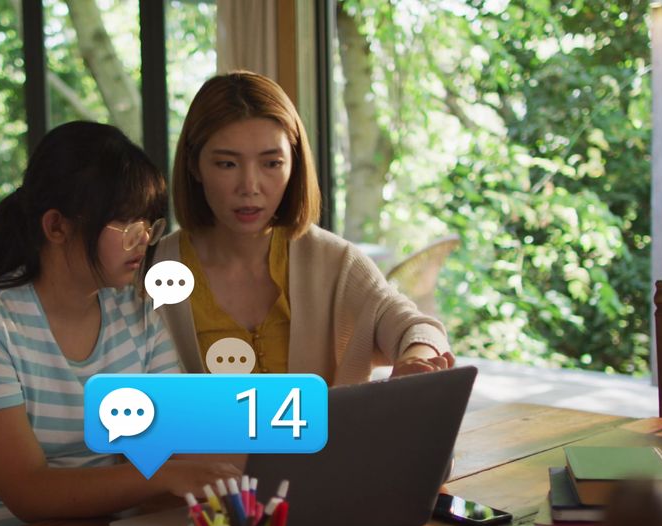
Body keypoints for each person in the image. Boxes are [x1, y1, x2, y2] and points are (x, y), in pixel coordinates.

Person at [0, 122, 241, 526]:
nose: (144, 240)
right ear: (56, 227)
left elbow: (174, 440)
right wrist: (164, 474)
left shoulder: (138, 313)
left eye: (149, 222)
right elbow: (29, 492)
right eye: (126, 223)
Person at [156, 71, 455, 385]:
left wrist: (416, 360)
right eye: (227, 164)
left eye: (271, 163)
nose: (250, 186)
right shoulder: (152, 272)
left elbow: (414, 327)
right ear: (194, 165)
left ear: (294, 164)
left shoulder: (334, 262)